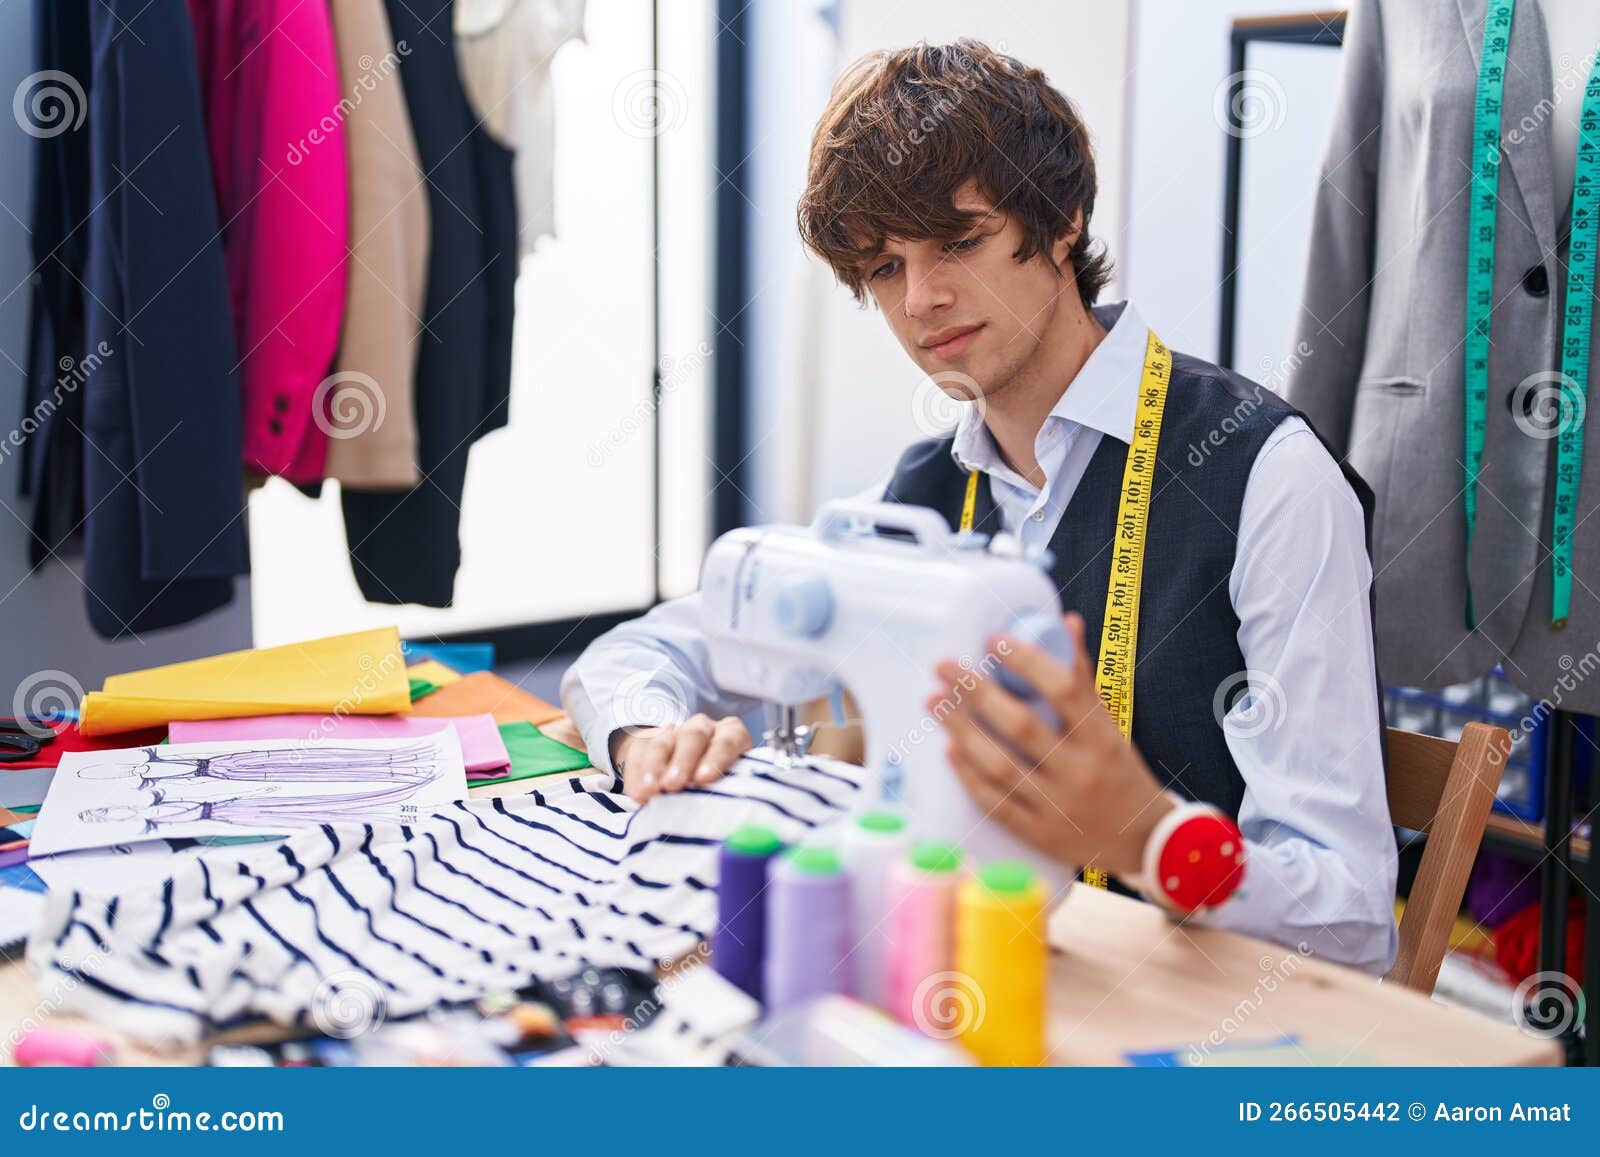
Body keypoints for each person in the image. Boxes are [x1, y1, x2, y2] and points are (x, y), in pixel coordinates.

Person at [562, 40, 1398, 972]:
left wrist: (1147, 835)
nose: (922, 299)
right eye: (884, 269)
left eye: (958, 242)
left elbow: (1355, 915)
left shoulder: (1266, 476)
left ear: (1063, 219)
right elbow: (632, 653)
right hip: (990, 993)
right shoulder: (916, 499)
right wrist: (648, 733)